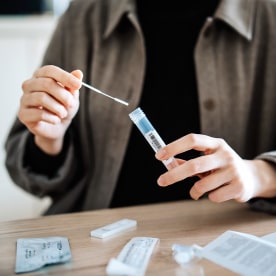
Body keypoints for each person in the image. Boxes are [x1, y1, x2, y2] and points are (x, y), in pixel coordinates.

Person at [5, 0, 276, 215]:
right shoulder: (82, 17)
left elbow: (261, 176)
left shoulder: (269, 18)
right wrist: (50, 139)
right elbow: (25, 170)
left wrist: (259, 174)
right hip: (98, 238)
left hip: (229, 237)